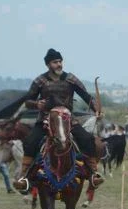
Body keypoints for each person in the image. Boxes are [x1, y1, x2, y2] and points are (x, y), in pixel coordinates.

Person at [14, 48, 103, 192]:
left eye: (60, 61)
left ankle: (93, 174)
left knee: (87, 139)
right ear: (48, 64)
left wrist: (96, 108)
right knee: (30, 142)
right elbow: (28, 101)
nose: (59, 64)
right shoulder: (40, 80)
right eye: (55, 62)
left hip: (68, 120)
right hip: (45, 120)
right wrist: (37, 104)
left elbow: (86, 97)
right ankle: (24, 177)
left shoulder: (71, 79)